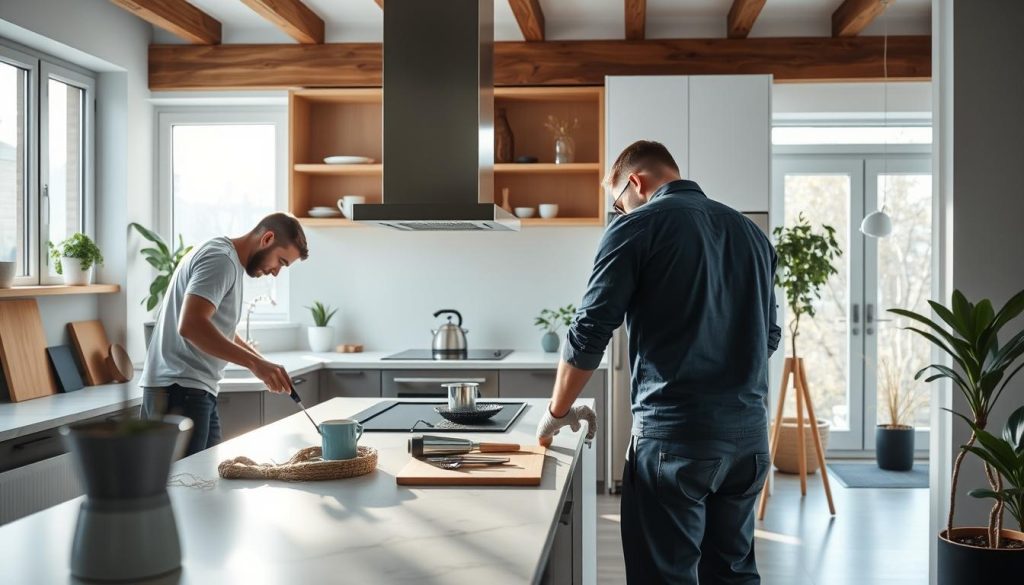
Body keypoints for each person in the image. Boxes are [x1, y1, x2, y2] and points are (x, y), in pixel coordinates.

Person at [536, 140, 780, 584]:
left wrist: (557, 412)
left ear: (635, 182)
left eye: (617, 202)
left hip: (675, 440)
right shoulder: (752, 234)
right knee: (733, 574)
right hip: (748, 440)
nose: (619, 212)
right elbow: (769, 336)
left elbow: (590, 330)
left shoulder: (638, 226)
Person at [141, 212, 310, 457]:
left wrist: (262, 363)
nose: (276, 273)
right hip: (179, 391)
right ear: (267, 239)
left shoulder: (227, 259)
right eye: (281, 262)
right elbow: (191, 325)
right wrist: (255, 364)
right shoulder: (221, 260)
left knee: (203, 485)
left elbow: (219, 329)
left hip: (191, 389)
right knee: (185, 488)